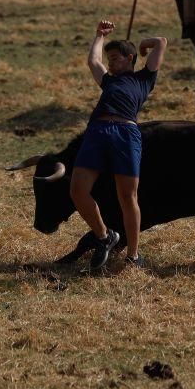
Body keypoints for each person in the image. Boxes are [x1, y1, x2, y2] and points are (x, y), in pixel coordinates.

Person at [69, 20, 167, 271]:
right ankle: (104, 236)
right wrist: (99, 36)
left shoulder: (144, 79)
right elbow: (93, 62)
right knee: (78, 191)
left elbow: (161, 43)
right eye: (109, 59)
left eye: (114, 58)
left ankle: (134, 255)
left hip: (126, 133)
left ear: (129, 58)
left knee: (127, 196)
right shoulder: (108, 81)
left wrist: (144, 46)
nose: (110, 63)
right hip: (97, 131)